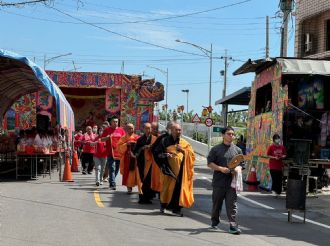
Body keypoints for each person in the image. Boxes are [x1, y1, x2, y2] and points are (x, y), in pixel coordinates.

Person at [152, 123, 195, 216]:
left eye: (180, 130)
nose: (178, 132)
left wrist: (183, 150)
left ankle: (176, 209)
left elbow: (192, 155)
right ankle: (163, 205)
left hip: (180, 171)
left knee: (178, 189)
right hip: (167, 170)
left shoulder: (184, 143)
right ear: (171, 130)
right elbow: (156, 153)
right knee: (166, 188)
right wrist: (165, 155)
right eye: (176, 130)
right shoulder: (164, 141)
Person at [207, 126, 243, 235]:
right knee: (217, 204)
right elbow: (209, 163)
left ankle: (233, 226)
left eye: (232, 134)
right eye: (228, 134)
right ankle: (214, 221)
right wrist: (221, 169)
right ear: (223, 135)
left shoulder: (238, 150)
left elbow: (242, 165)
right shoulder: (215, 149)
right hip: (218, 182)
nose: (231, 136)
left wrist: (237, 169)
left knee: (232, 205)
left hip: (232, 183)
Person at [134, 123, 159, 204]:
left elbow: (158, 149)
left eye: (149, 128)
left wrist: (151, 147)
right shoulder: (140, 139)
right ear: (143, 129)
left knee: (149, 180)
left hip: (152, 163)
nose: (148, 130)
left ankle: (148, 198)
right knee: (142, 180)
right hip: (142, 162)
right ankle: (141, 198)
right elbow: (135, 151)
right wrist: (143, 148)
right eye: (146, 128)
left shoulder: (155, 139)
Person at [101, 118, 126, 190]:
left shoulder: (121, 130)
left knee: (117, 168)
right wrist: (107, 137)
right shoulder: (107, 130)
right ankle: (112, 184)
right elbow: (102, 139)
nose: (115, 123)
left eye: (117, 121)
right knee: (112, 168)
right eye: (114, 122)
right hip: (110, 152)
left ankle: (112, 179)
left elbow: (124, 139)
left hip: (119, 152)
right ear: (111, 123)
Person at [117, 123, 140, 193]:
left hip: (135, 157)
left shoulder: (137, 137)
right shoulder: (123, 137)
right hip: (127, 158)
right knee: (128, 172)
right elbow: (119, 147)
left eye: (132, 128)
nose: (131, 130)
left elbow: (141, 146)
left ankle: (138, 185)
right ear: (126, 129)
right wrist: (126, 144)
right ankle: (129, 187)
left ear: (134, 129)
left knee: (136, 172)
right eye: (129, 128)